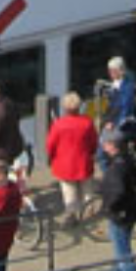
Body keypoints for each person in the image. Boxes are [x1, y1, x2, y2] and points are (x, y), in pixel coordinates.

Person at [97, 129, 136, 271]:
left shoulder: (116, 167)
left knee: (123, 253)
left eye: (105, 144)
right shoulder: (131, 159)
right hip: (132, 210)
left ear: (112, 146)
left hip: (120, 214)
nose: (103, 146)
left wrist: (108, 207)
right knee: (122, 245)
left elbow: (117, 192)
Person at [46, 93, 98, 222]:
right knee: (87, 190)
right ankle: (89, 211)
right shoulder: (87, 122)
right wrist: (91, 153)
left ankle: (72, 215)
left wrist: (51, 158)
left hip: (64, 165)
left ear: (64, 108)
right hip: (84, 162)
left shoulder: (58, 124)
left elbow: (50, 145)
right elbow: (94, 142)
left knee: (69, 193)